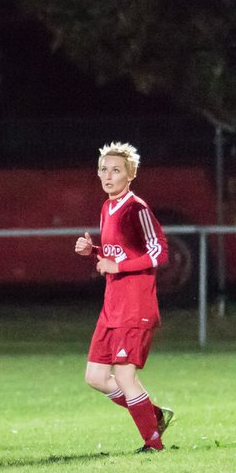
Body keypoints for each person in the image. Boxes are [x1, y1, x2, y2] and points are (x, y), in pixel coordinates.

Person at [74, 142, 173, 453]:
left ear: (131, 174)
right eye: (104, 169)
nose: (108, 175)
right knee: (96, 376)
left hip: (135, 306)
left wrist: (118, 264)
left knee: (125, 376)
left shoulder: (136, 208)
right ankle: (153, 415)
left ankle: (153, 443)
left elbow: (160, 252)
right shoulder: (107, 207)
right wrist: (94, 252)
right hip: (112, 306)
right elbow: (118, 254)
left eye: (116, 170)